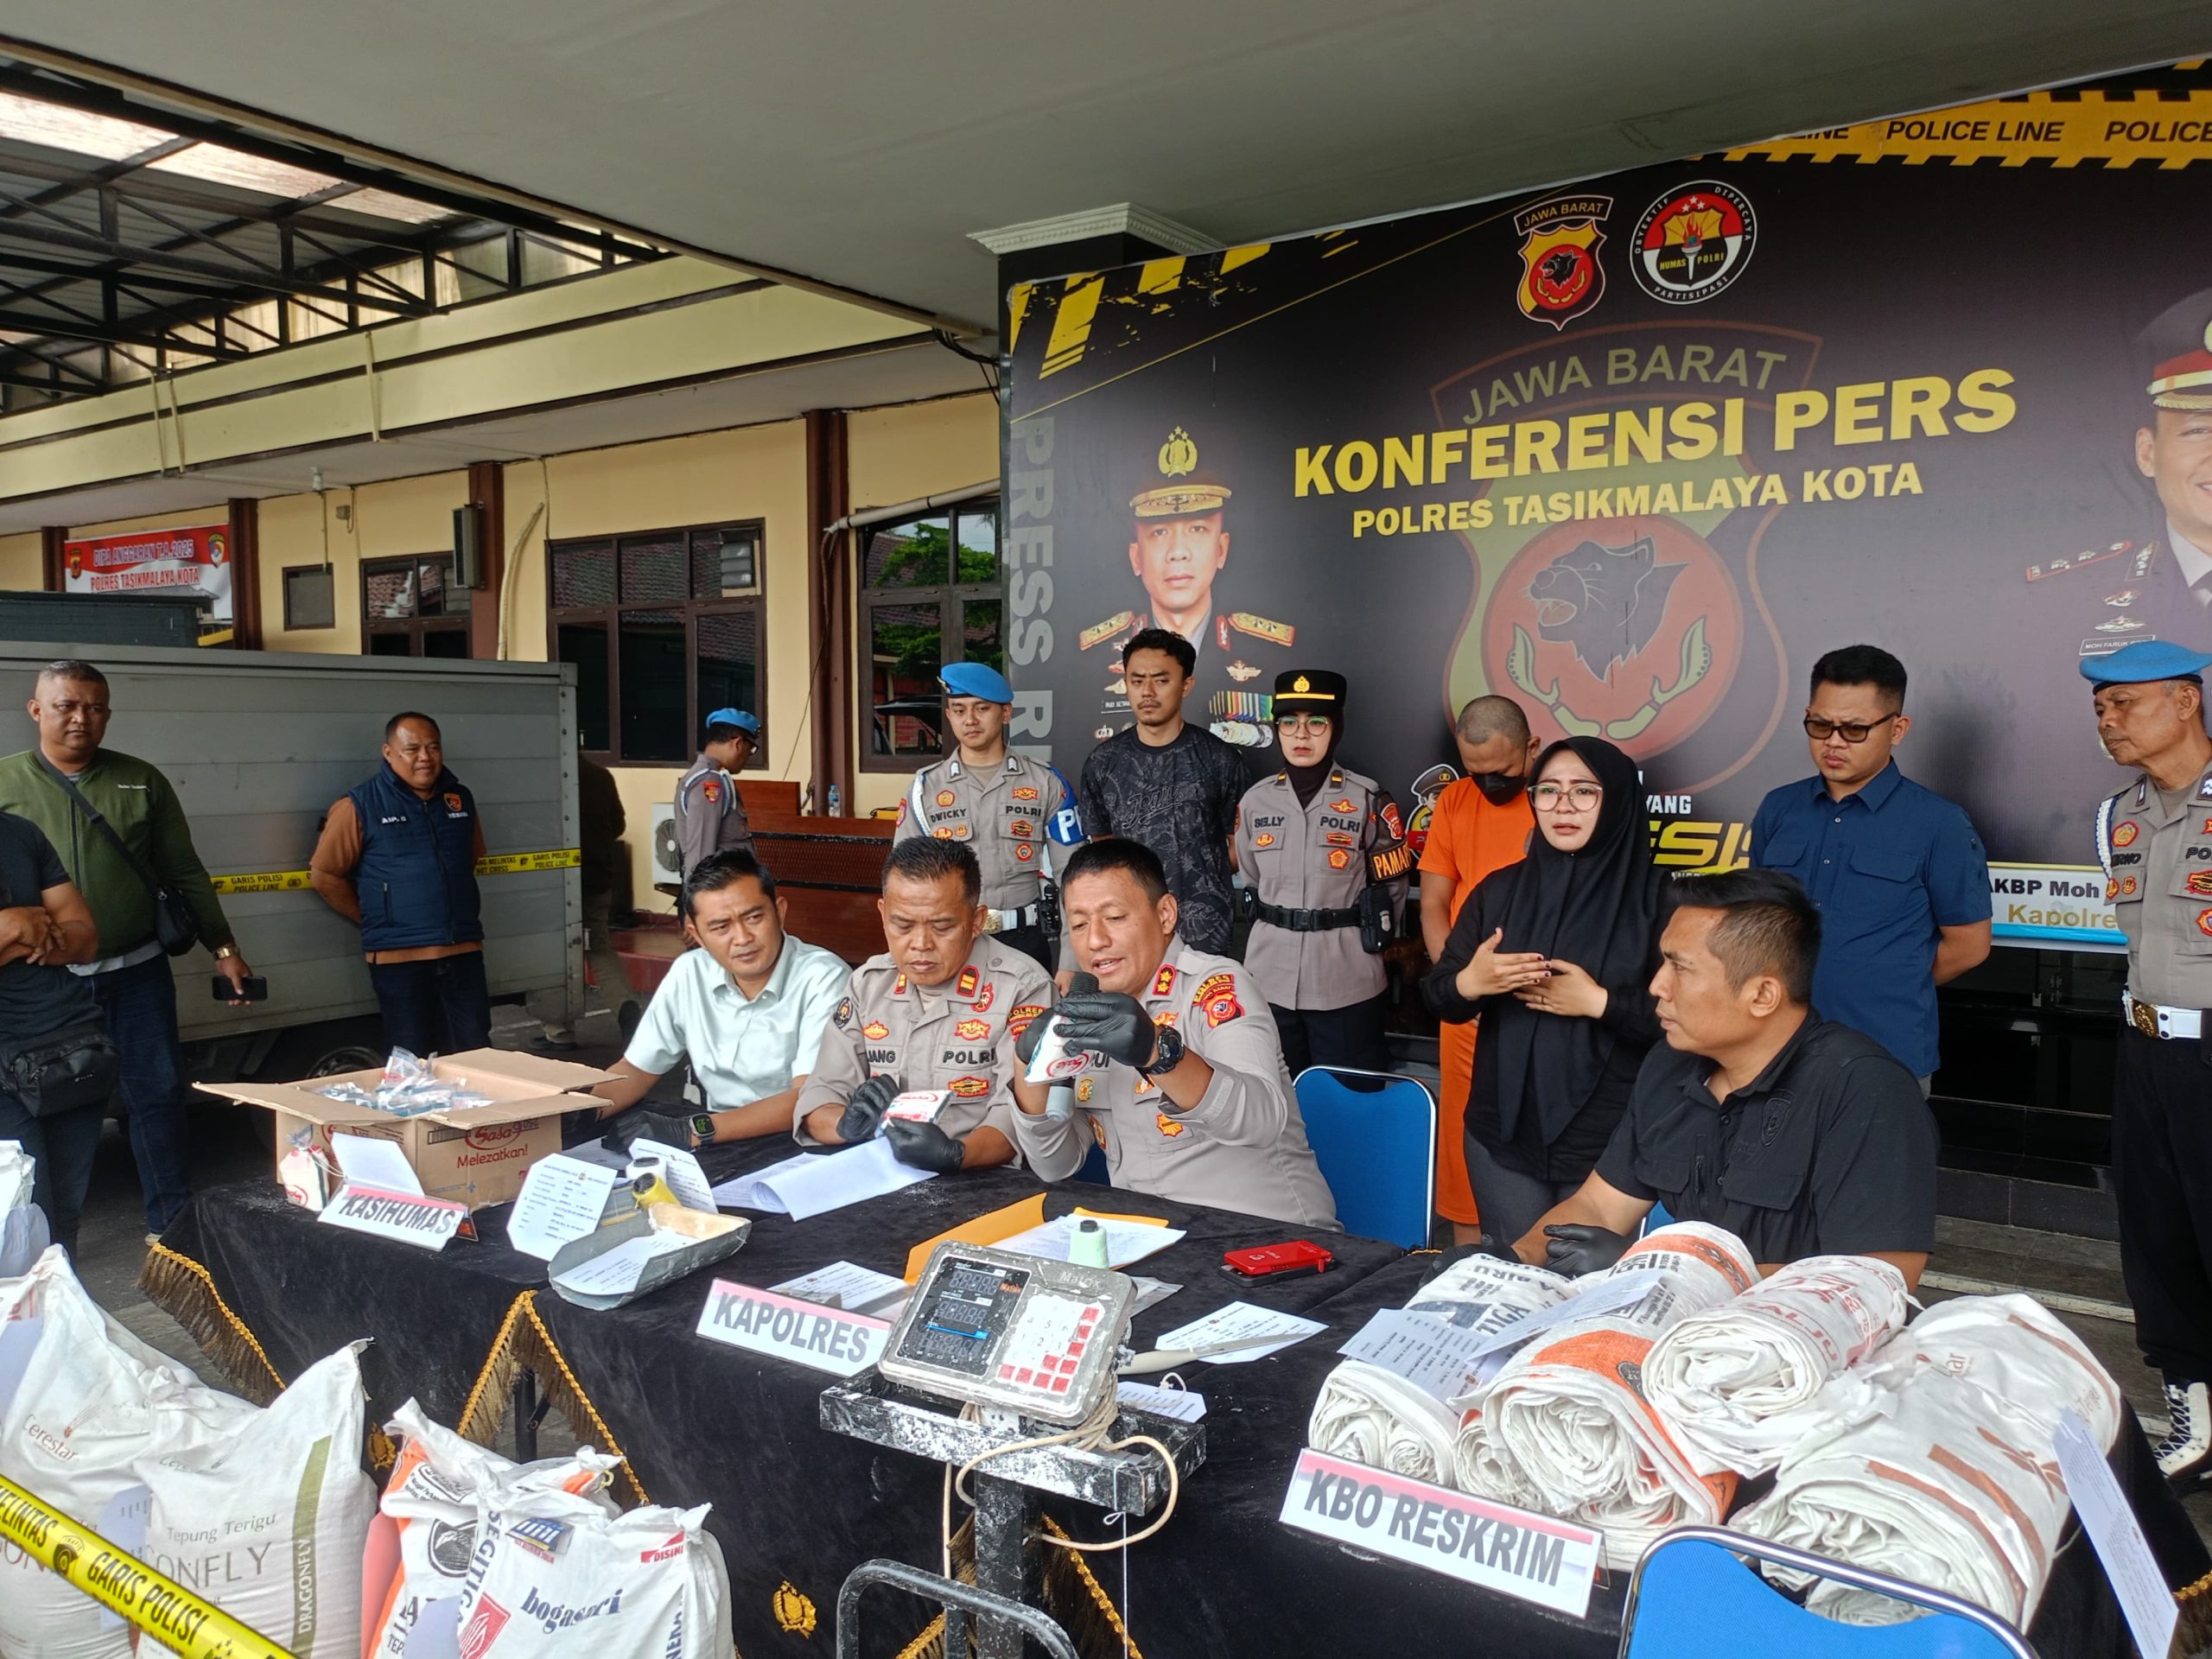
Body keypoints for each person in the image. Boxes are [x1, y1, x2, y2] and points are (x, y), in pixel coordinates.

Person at [1516, 868, 1938, 1292]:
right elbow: (1599, 1206)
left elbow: (1879, 1276)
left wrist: (1658, 1269)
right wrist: (1517, 1258)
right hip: (1674, 1321)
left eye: (1680, 968)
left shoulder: (1866, 1090)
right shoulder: (1669, 1065)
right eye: (1663, 961)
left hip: (1798, 1330)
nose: (1657, 985)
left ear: (1762, 995)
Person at [0, 659, 252, 1240]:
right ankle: (43, 1245)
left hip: (136, 971)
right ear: (36, 711)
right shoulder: (7, 783)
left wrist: (223, 945)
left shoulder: (140, 779)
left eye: (94, 708)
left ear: (108, 714)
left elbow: (183, 870)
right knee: (43, 1106)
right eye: (66, 706)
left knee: (156, 1095)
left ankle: (173, 1225)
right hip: (49, 990)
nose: (80, 718)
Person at [1008, 838, 1337, 1228]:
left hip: (1267, 1236)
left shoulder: (1214, 986)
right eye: (1079, 925)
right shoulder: (1086, 1013)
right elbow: (1054, 1165)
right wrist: (1027, 1066)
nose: (1095, 940)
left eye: (1114, 917)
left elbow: (1260, 1120)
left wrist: (1158, 1053)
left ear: (1165, 914)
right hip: (1149, 1240)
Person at [1424, 738, 1662, 1250]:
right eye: (1548, 791)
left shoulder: (1663, 902)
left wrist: (1600, 1003)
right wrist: (1472, 983)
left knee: (1588, 1287)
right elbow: (1440, 996)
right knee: (1515, 1276)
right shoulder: (1499, 890)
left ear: (1618, 799)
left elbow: (1693, 1024)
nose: (1563, 806)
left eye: (1584, 791)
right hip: (1502, 1135)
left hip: (1610, 1140)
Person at [2081, 639, 2212, 1490]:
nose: (2108, 720)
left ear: (2186, 702)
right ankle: (2196, 1422)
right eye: (2100, 708)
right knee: (2158, 1241)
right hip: (2145, 1051)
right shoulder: (2114, 817)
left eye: (2125, 703)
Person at [1750, 645, 1992, 1089]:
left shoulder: (1939, 823)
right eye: (1820, 725)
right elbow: (1758, 919)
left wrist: (1891, 979)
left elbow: (1969, 946)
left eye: (1855, 729)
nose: (1833, 742)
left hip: (1884, 1055)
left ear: (1897, 729)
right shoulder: (1778, 808)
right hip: (1775, 1048)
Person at [793, 837, 1052, 1173]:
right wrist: (844, 1124)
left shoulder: (1022, 987)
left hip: (982, 1178)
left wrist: (956, 1154)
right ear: (883, 913)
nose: (920, 944)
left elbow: (1020, 1114)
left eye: (942, 927)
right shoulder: (868, 984)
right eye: (902, 925)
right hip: (880, 1172)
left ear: (976, 921)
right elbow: (821, 1093)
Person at [592, 851, 849, 1149]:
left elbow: (809, 1098)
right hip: (716, 1134)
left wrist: (693, 1130)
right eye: (721, 927)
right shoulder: (690, 972)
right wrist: (581, 1111)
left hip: (796, 1139)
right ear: (697, 935)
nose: (742, 938)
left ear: (779, 912)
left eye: (753, 917)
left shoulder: (824, 977)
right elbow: (637, 1069)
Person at [1233, 670, 1409, 1074]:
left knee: (1349, 1098)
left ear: (1336, 728)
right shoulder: (1256, 801)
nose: (1301, 735)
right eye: (1289, 722)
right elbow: (1253, 878)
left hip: (1346, 980)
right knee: (1276, 1096)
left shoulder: (1367, 798)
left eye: (1316, 722)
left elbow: (1393, 890)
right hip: (1269, 980)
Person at [1078, 427, 1295, 752]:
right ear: (1136, 557)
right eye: (1159, 533)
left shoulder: (1269, 651)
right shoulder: (1091, 659)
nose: (1178, 552)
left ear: (1221, 549)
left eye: (1197, 529)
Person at [1417, 695, 1539, 1241]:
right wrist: (1459, 985)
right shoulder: (1454, 801)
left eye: (1503, 773)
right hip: (1469, 999)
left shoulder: (1556, 801)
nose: (1489, 785)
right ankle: (1465, 1254)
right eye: (1476, 772)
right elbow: (1433, 903)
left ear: (1532, 749)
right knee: (1461, 1133)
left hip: (1542, 1001)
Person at [309, 712, 491, 1057]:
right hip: (399, 960)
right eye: (412, 749)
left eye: (433, 747)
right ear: (389, 753)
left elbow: (467, 861)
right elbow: (324, 875)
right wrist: (377, 916)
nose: (425, 757)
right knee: (411, 1060)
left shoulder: (460, 799)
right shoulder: (358, 805)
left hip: (463, 951)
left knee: (477, 1055)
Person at [895, 661, 1082, 969]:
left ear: (1005, 713)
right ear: (949, 716)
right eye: (959, 710)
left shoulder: (1045, 783)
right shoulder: (924, 789)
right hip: (951, 941)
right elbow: (904, 881)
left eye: (982, 709)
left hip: (1025, 940)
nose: (970, 720)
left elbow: (1074, 879)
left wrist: (1070, 962)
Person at [1077, 628, 1246, 955]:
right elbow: (1104, 846)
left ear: (1186, 685)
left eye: (1161, 680)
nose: (1148, 692)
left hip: (1205, 933)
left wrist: (1195, 869)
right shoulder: (1102, 763)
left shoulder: (1220, 759)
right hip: (1128, 930)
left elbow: (1241, 847)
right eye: (1137, 680)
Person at [0, 808, 103, 1255]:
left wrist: (20, 939)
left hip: (67, 1045)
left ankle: (61, 1300)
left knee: (62, 1222)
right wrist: (11, 928)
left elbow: (85, 937)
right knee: (21, 1221)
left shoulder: (19, 832)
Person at [538, 746, 639, 1049]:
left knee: (555, 953)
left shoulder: (544, 778)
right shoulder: (600, 775)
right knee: (599, 947)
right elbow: (618, 824)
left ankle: (559, 1030)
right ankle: (627, 1010)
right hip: (598, 877)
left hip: (557, 881)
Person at [674, 708, 760, 879]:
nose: (747, 758)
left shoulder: (716, 776)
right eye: (750, 750)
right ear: (738, 744)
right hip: (719, 889)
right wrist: (700, 893)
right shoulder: (709, 782)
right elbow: (701, 856)